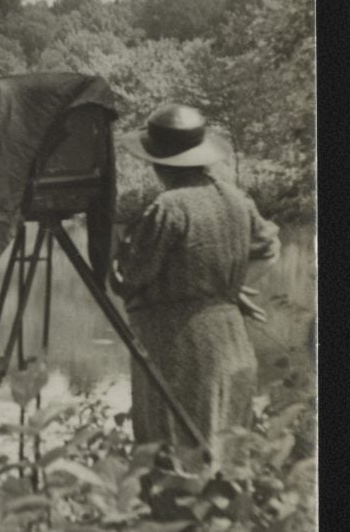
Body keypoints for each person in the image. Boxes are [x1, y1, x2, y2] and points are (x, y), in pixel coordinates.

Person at [111, 103, 280, 465]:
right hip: (231, 345)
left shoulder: (169, 207)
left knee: (175, 459)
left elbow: (127, 280)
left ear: (158, 163)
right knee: (228, 460)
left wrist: (111, 249)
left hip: (180, 352)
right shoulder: (236, 199)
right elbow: (269, 249)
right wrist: (229, 289)